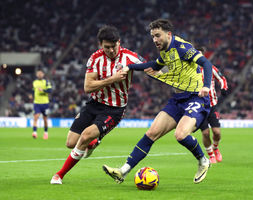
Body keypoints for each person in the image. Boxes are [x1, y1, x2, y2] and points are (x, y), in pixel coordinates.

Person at [103, 18, 213, 184]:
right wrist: (130, 67)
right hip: (178, 100)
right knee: (151, 133)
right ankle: (123, 171)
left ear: (168, 34)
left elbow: (206, 63)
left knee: (181, 135)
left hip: (196, 98)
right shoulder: (165, 52)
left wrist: (206, 86)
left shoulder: (183, 48)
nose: (155, 40)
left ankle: (203, 160)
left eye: (157, 36)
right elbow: (155, 65)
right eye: (153, 36)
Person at [50, 25, 144, 184]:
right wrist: (112, 79)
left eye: (114, 46)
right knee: (71, 143)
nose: (111, 50)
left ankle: (59, 175)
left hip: (115, 109)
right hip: (94, 104)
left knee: (85, 135)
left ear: (119, 43)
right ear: (101, 45)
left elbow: (151, 68)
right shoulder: (95, 58)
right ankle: (94, 142)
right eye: (107, 47)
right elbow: (88, 87)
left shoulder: (130, 57)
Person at [198, 52, 228, 163]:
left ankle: (215, 148)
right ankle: (211, 155)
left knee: (217, 132)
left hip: (211, 106)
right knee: (205, 133)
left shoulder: (210, 68)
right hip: (199, 108)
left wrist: (224, 88)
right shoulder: (191, 70)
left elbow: (221, 79)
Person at [31, 69, 52, 139]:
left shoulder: (46, 82)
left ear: (43, 74)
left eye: (41, 73)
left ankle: (45, 133)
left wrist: (43, 90)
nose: (39, 75)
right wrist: (31, 96)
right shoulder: (34, 82)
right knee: (35, 117)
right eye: (38, 73)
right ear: (37, 75)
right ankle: (34, 133)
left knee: (45, 119)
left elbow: (50, 90)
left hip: (45, 103)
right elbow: (33, 90)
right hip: (37, 103)